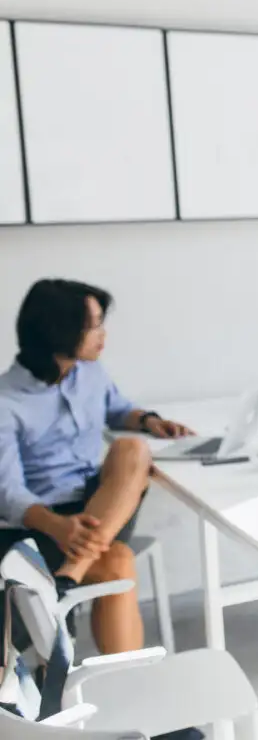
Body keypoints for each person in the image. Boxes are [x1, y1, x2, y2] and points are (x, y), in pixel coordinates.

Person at [0, 279, 192, 654]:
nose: (102, 335)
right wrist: (58, 526)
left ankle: (66, 577)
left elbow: (118, 409)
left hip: (99, 510)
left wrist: (149, 420)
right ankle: (129, 692)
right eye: (93, 326)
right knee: (118, 561)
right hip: (39, 524)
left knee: (133, 448)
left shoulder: (91, 374)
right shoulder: (5, 400)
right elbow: (8, 494)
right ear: (58, 330)